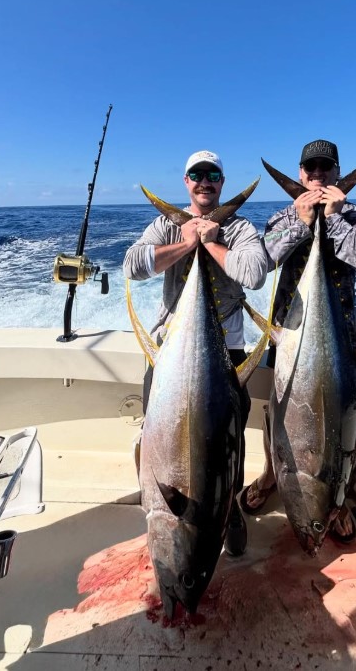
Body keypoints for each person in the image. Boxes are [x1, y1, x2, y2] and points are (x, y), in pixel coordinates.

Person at [123, 150, 268, 556]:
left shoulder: (238, 228)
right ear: (187, 182)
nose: (205, 181)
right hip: (170, 353)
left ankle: (229, 506)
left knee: (226, 441)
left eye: (213, 175)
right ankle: (155, 502)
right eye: (196, 175)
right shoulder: (166, 224)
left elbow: (255, 273)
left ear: (221, 182)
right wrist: (186, 244)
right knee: (159, 436)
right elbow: (132, 265)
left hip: (227, 352)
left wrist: (213, 243)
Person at [240, 139, 356, 541]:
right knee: (280, 416)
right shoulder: (284, 215)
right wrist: (302, 223)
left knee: (346, 424)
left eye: (325, 168)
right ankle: (272, 476)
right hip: (292, 336)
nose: (317, 176)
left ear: (338, 172)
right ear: (300, 174)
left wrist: (334, 219)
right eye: (310, 169)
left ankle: (336, 498)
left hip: (340, 341)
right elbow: (264, 261)